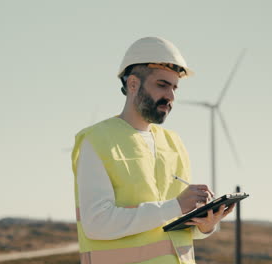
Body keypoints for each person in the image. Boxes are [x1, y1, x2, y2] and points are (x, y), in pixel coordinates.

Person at [71, 37, 234, 264]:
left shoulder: (174, 143)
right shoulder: (97, 140)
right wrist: (175, 205)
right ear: (133, 84)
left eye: (174, 87)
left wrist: (205, 226)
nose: (171, 96)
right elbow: (97, 224)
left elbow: (173, 227)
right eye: (162, 85)